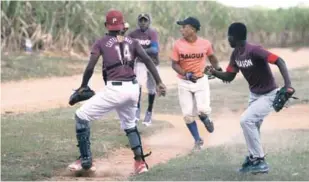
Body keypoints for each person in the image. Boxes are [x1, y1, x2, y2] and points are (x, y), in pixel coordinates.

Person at [68, 9, 166, 175]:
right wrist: (159, 82)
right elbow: (149, 60)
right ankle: (140, 163)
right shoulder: (132, 41)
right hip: (133, 89)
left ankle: (85, 160)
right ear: (122, 25)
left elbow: (90, 67)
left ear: (107, 25)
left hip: (115, 89)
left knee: (81, 116)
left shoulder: (101, 42)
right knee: (129, 125)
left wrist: (83, 86)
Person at [205, 22, 293, 174]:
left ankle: (259, 160)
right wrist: (214, 72)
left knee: (246, 120)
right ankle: (253, 158)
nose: (228, 40)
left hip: (269, 94)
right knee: (253, 126)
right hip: (254, 95)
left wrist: (288, 86)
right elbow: (230, 76)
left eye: (228, 37)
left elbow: (280, 61)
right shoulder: (236, 54)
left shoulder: (254, 50)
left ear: (233, 37)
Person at [170, 17, 222, 151]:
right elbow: (174, 64)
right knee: (187, 116)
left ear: (192, 29)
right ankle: (198, 140)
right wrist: (185, 73)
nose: (181, 29)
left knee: (202, 111)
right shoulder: (178, 45)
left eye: (184, 27)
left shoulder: (205, 43)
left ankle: (206, 120)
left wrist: (218, 70)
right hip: (184, 82)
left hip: (200, 81)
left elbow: (212, 57)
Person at [127, 13, 159, 126]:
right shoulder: (132, 34)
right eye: (141, 20)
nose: (143, 23)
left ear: (149, 22)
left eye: (145, 20)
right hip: (140, 63)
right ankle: (137, 110)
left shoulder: (152, 33)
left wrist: (139, 51)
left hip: (153, 63)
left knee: (151, 89)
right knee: (138, 86)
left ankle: (149, 111)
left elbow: (155, 50)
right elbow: (125, 45)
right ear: (138, 22)